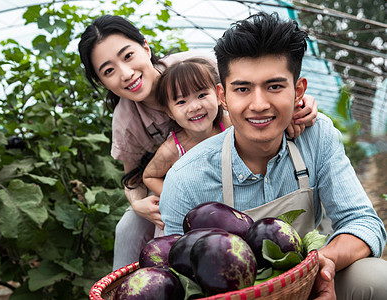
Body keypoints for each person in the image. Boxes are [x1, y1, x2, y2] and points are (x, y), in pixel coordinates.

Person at [159, 12, 387, 299]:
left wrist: (322, 264)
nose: (259, 104)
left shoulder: (316, 136)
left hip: (310, 282)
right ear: (222, 96)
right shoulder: (187, 176)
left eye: (275, 86)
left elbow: (363, 222)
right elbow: (174, 269)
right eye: (242, 89)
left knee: (378, 280)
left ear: (298, 91)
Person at [78, 14, 318, 271]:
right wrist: (138, 203)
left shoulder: (196, 65)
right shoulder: (126, 120)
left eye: (128, 56)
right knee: (129, 227)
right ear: (102, 82)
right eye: (109, 71)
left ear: (146, 47)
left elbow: (259, 83)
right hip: (173, 190)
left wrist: (300, 104)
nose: (126, 74)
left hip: (231, 171)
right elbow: (134, 178)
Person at [142, 58, 233, 196]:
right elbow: (150, 177)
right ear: (170, 112)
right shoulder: (172, 150)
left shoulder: (230, 127)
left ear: (218, 95)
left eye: (202, 95)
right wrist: (180, 199)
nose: (195, 107)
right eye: (181, 101)